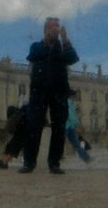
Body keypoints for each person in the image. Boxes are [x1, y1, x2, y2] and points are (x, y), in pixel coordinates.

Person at [18, 18, 79, 175]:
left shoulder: (63, 48)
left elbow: (72, 58)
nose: (54, 30)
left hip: (59, 91)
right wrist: (46, 41)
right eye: (50, 28)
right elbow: (33, 56)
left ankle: (54, 163)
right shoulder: (37, 46)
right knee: (34, 126)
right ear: (45, 31)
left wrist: (65, 39)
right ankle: (29, 163)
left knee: (58, 128)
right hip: (39, 92)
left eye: (56, 27)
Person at [0, 104, 26, 169]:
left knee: (16, 142)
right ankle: (4, 160)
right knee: (11, 144)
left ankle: (4, 161)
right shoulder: (19, 117)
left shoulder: (17, 119)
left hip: (26, 127)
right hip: (23, 124)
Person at [64, 91, 91, 164]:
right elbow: (71, 116)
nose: (76, 98)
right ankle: (86, 158)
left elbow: (72, 116)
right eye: (76, 96)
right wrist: (79, 124)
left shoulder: (70, 104)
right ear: (71, 96)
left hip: (69, 126)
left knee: (75, 144)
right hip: (67, 126)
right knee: (76, 144)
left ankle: (87, 158)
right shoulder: (68, 103)